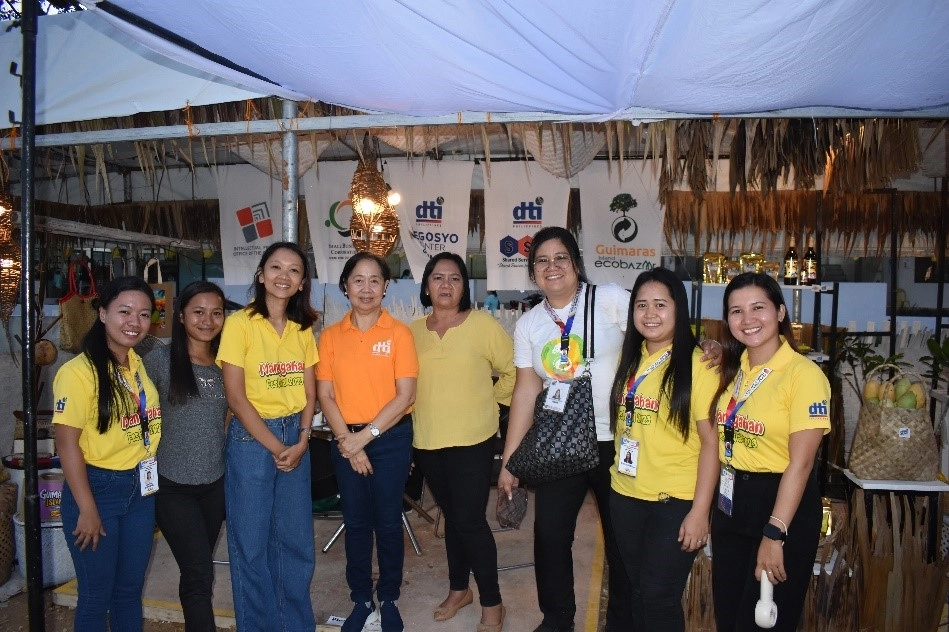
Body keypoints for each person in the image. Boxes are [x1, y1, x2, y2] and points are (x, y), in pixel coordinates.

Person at [497, 226, 634, 632]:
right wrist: (510, 462)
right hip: (561, 444)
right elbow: (526, 391)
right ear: (532, 272)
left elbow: (658, 336)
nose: (551, 266)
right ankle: (557, 620)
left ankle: (623, 622)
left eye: (560, 257)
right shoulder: (529, 324)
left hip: (616, 442)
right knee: (550, 535)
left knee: (622, 540)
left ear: (576, 262)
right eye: (542, 260)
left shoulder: (609, 299)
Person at [709, 272, 830, 632]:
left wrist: (775, 533)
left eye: (758, 307)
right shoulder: (733, 370)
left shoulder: (803, 375)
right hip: (731, 502)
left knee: (764, 622)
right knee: (729, 617)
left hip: (782, 505)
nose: (747, 319)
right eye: (736, 311)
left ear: (780, 312)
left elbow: (802, 463)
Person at [607, 267, 720, 632]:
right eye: (641, 305)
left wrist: (700, 511)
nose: (650, 313)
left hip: (674, 501)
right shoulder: (631, 357)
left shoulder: (700, 365)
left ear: (678, 309)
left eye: (660, 304)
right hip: (625, 494)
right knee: (638, 590)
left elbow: (711, 444)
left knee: (659, 596)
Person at [410, 253, 515, 631]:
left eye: (454, 278)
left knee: (470, 521)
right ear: (426, 286)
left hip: (473, 440)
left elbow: (513, 372)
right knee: (453, 517)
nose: (446, 285)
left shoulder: (483, 325)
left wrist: (491, 401)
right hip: (427, 440)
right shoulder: (412, 331)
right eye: (438, 278)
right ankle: (459, 589)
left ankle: (492, 602)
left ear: (464, 287)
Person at [218, 242, 319, 632]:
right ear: (261, 275)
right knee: (251, 545)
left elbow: (309, 391)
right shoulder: (240, 324)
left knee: (296, 543)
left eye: (294, 270)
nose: (283, 276)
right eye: (275, 267)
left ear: (302, 283)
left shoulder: (301, 327)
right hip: (253, 439)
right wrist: (279, 447)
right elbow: (235, 397)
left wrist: (303, 439)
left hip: (296, 435)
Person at [53, 276, 162, 631]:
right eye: (124, 312)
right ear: (102, 314)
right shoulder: (77, 373)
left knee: (129, 592)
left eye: (143, 314)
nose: (135, 322)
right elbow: (66, 444)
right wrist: (87, 509)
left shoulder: (136, 364)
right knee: (96, 595)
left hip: (139, 490)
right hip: (97, 489)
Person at [317, 252, 418, 632]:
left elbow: (405, 395)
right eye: (358, 280)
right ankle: (361, 599)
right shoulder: (330, 336)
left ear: (386, 287)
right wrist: (349, 441)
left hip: (389, 437)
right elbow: (325, 395)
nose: (366, 288)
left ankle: (389, 598)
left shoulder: (399, 333)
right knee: (357, 523)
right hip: (346, 437)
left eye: (375, 280)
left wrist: (363, 438)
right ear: (346, 286)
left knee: (389, 522)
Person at [142, 281, 228, 632]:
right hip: (172, 486)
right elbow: (137, 418)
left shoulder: (227, 363)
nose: (208, 320)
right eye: (198, 312)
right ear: (180, 316)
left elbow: (229, 416)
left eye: (216, 313)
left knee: (198, 572)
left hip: (214, 485)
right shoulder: (158, 362)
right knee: (198, 571)